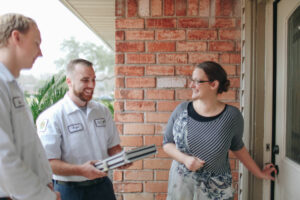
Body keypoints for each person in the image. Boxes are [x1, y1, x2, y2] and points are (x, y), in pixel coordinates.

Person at [163, 61, 277, 200]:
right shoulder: (182, 110)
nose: (191, 85)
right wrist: (186, 159)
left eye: (197, 81)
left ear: (214, 84)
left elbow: (238, 147)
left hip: (216, 191)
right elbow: (167, 143)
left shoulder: (231, 116)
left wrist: (259, 173)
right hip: (182, 188)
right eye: (191, 80)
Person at [36, 58, 126, 200]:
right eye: (85, 80)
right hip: (70, 191)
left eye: (93, 79)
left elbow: (113, 147)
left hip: (103, 188)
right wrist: (80, 170)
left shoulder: (102, 111)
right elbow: (48, 163)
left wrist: (122, 158)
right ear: (69, 81)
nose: (91, 85)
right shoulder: (52, 117)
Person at [0, 13, 60, 200]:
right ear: (16, 37)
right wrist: (43, 196)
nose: (40, 52)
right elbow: (3, 157)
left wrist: (44, 181)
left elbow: (26, 145)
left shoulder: (12, 85)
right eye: (36, 43)